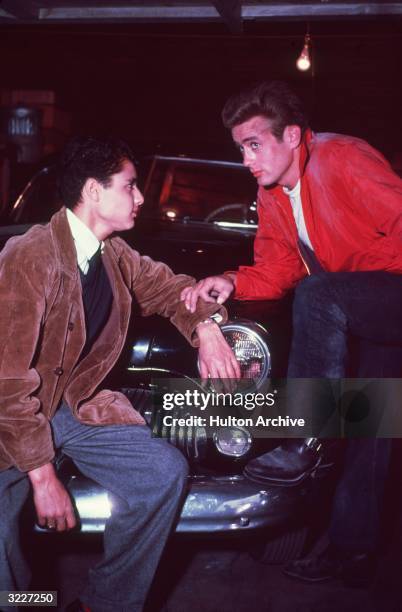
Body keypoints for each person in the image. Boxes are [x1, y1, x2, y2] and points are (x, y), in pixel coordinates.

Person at [0, 136, 240, 611]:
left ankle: (103, 603)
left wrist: (208, 328)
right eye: (130, 186)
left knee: (162, 473)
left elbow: (172, 289)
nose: (141, 197)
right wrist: (43, 479)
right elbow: (7, 384)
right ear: (93, 191)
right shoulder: (28, 257)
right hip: (11, 420)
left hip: (71, 408)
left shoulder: (113, 255)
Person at [181, 81, 402, 584]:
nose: (246, 160)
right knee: (371, 425)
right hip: (363, 308)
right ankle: (353, 550)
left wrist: (353, 279)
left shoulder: (343, 158)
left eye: (254, 145)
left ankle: (306, 440)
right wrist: (232, 280)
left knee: (321, 293)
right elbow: (280, 269)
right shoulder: (273, 191)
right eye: (240, 148)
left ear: (294, 135)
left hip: (390, 291)